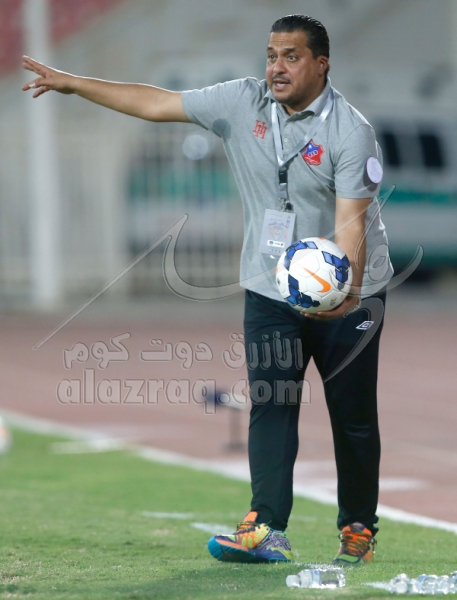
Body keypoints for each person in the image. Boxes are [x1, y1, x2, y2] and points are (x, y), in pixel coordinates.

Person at [23, 14, 392, 565]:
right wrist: (75, 83)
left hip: (350, 289)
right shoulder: (241, 102)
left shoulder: (350, 130)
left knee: (352, 411)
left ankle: (358, 528)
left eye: (291, 57)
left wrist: (347, 291)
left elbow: (351, 224)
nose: (277, 67)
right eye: (271, 55)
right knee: (271, 402)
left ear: (321, 64)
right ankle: (265, 526)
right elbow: (156, 103)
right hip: (270, 286)